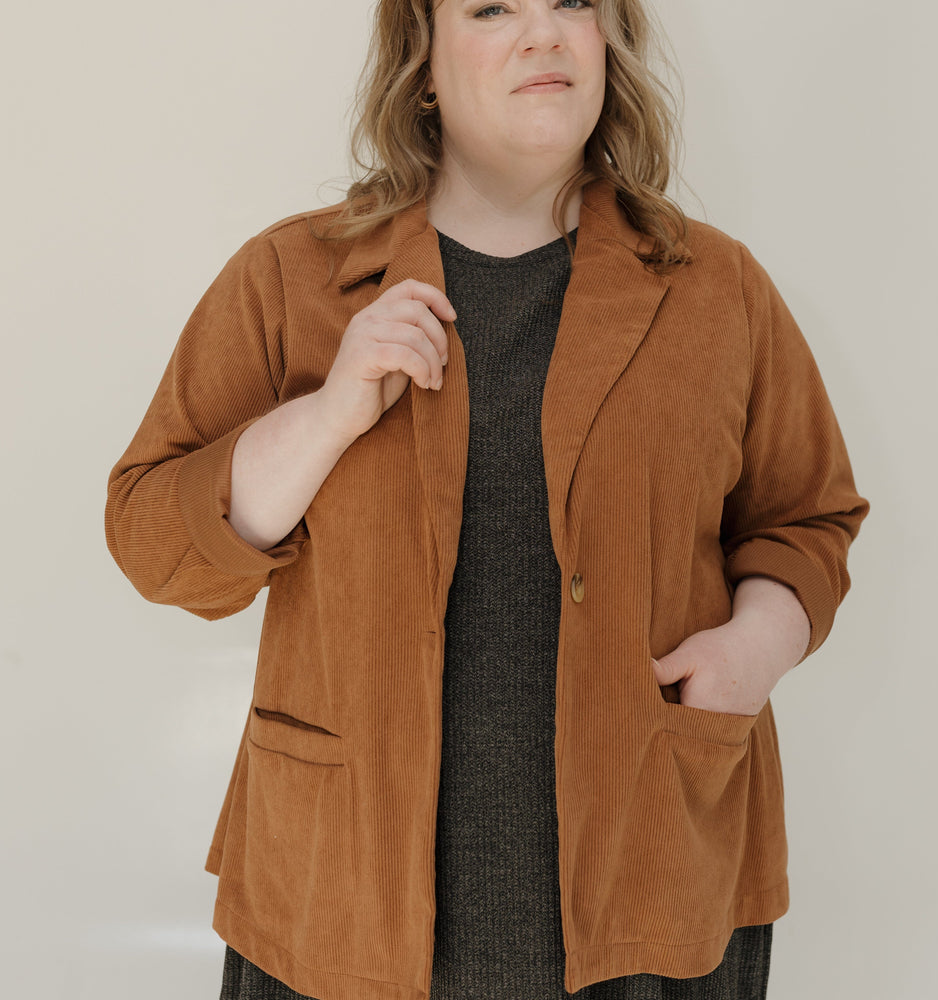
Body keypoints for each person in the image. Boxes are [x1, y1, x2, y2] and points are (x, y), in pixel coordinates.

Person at [105, 1, 869, 998]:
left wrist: (753, 648)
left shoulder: (715, 289)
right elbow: (154, 540)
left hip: (656, 899)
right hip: (337, 910)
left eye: (573, 4)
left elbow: (806, 515)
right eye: (493, 8)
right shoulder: (292, 279)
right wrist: (327, 414)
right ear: (421, 60)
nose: (544, 33)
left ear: (609, 41)